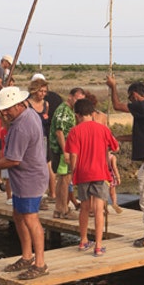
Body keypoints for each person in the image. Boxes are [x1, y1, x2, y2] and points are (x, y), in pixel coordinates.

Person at [0, 86, 50, 280]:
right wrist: (2, 118)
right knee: (18, 215)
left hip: (30, 178)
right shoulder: (27, 113)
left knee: (30, 218)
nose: (4, 112)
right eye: (3, 108)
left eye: (7, 108)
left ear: (18, 105)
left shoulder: (22, 127)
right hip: (23, 177)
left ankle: (40, 263)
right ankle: (26, 256)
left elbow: (13, 160)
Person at [107, 75, 144, 247]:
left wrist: (113, 86)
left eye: (130, 98)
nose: (130, 102)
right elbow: (138, 136)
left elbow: (117, 106)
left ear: (134, 95)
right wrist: (117, 138)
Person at [65, 98, 120, 257]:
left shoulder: (74, 131)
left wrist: (72, 173)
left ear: (77, 115)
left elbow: (73, 155)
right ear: (92, 113)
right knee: (98, 209)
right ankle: (98, 245)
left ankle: (83, 241)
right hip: (100, 173)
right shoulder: (103, 129)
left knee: (84, 207)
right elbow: (115, 147)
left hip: (82, 173)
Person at [49, 87, 85, 219]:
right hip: (62, 150)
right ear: (70, 97)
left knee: (63, 178)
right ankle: (63, 209)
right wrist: (66, 152)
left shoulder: (71, 111)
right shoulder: (63, 110)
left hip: (66, 149)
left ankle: (59, 208)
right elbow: (59, 132)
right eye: (77, 99)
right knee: (64, 179)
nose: (79, 102)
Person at [31, 72, 62, 201]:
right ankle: (50, 193)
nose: (43, 93)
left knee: (44, 164)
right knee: (47, 164)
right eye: (41, 90)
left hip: (43, 135)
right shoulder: (54, 98)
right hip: (47, 134)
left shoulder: (46, 102)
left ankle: (47, 193)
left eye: (44, 90)